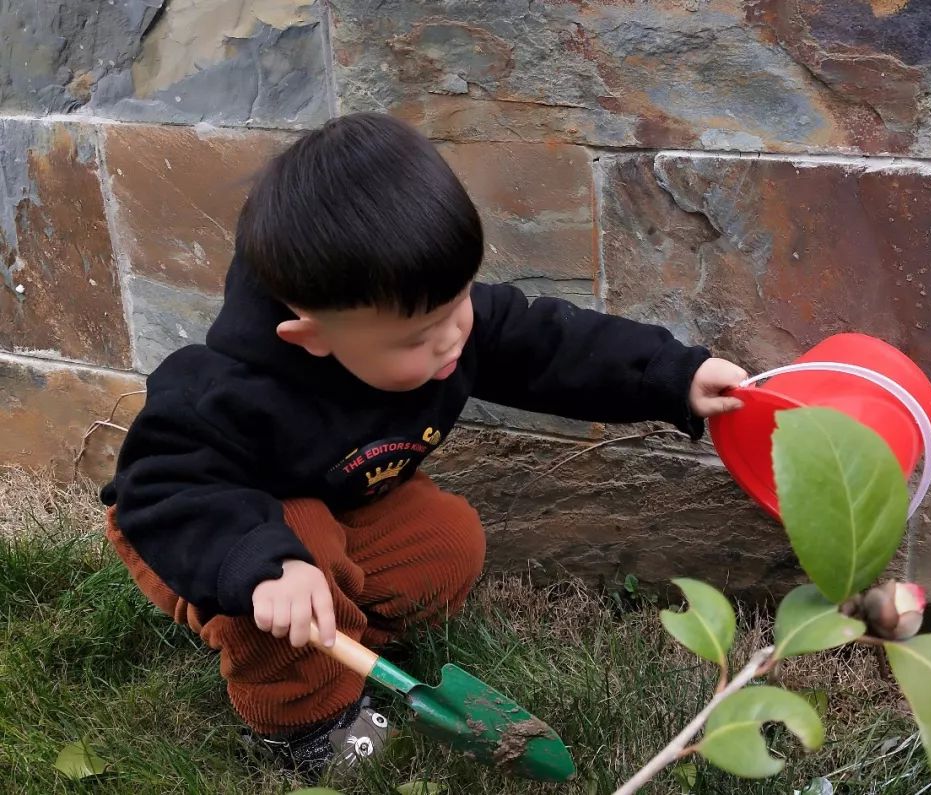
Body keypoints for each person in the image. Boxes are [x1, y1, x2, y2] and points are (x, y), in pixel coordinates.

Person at [101, 112, 747, 777]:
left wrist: (676, 377)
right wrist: (266, 566)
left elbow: (555, 346)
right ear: (313, 336)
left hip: (337, 507)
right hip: (203, 520)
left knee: (449, 541)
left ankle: (336, 640)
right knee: (304, 544)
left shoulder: (439, 318)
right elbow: (162, 487)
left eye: (460, 303)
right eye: (418, 337)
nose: (452, 340)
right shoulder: (228, 390)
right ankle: (303, 722)